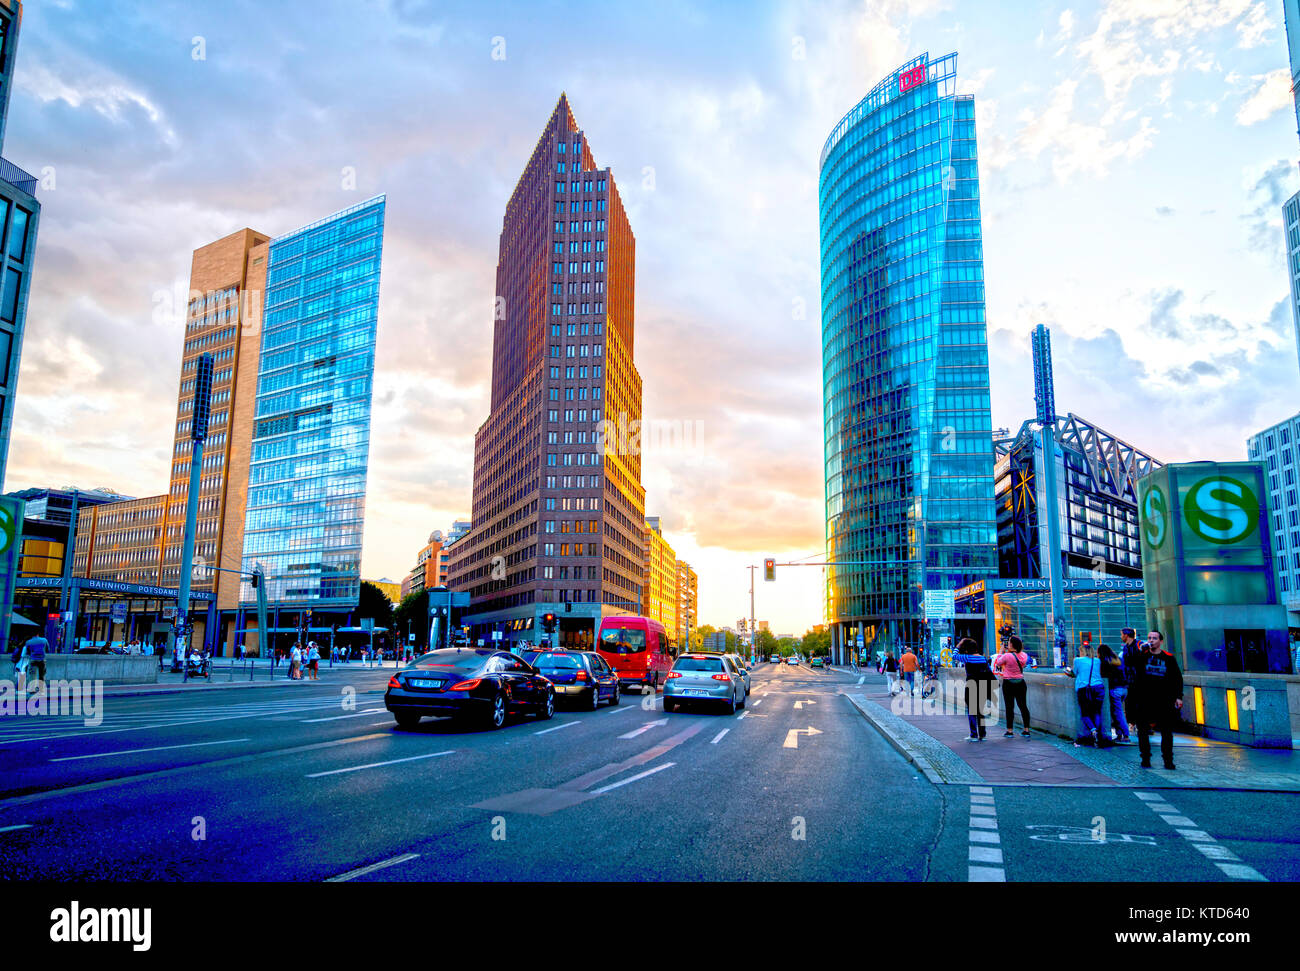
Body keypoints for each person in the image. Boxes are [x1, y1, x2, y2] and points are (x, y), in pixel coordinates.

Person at [1130, 630, 1183, 770]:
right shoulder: (1142, 656)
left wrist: (1178, 696)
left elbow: (1177, 678)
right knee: (1142, 730)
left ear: (1161, 641)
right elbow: (1132, 667)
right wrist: (1141, 652)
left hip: (1164, 700)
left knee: (1166, 731)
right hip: (1145, 699)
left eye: (1154, 638)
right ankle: (1145, 758)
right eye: (1149, 638)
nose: (1151, 640)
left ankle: (1168, 760)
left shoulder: (1168, 658)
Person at [1065, 643, 1108, 747]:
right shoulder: (1097, 661)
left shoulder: (1078, 660)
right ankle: (1097, 734)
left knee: (1085, 713)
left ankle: (1093, 731)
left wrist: (1068, 672)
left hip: (1084, 688)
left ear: (1082, 651)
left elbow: (1074, 673)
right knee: (1096, 712)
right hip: (1099, 688)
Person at [952, 637, 995, 741]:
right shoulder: (983, 658)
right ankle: (982, 734)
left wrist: (959, 645)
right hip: (983, 686)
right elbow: (989, 672)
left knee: (972, 710)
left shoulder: (967, 657)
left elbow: (953, 656)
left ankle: (974, 734)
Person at [993, 634, 1032, 737]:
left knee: (1009, 707)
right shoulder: (1024, 655)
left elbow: (998, 663)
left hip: (1008, 683)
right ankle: (1026, 730)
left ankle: (1010, 731)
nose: (1008, 644)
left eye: (1009, 642)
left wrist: (1001, 651)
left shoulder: (1007, 656)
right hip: (1021, 682)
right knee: (1023, 706)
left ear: (1012, 644)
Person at [1097, 643, 1130, 744]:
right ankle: (1119, 734)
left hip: (1115, 689)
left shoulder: (1104, 662)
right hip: (1124, 689)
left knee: (1118, 713)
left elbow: (1103, 676)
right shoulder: (1118, 659)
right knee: (1116, 712)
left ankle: (1126, 735)